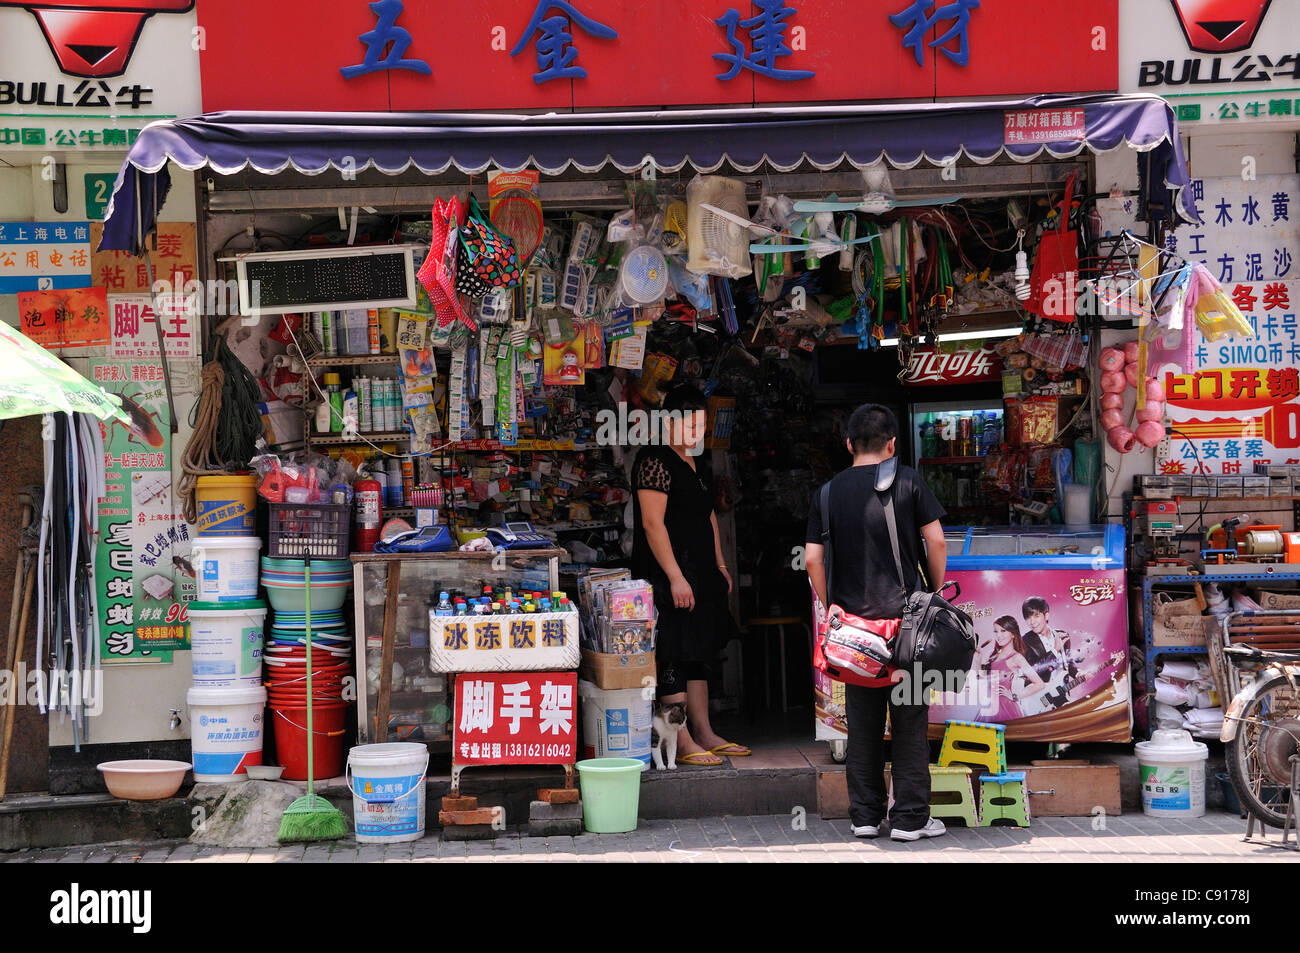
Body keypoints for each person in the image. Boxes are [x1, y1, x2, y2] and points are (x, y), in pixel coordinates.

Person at [804, 404, 948, 842]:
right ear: (891, 444)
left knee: (862, 726)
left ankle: (865, 818)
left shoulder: (826, 493)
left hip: (853, 636)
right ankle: (909, 820)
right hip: (906, 631)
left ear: (848, 444)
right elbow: (937, 540)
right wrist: (933, 593)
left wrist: (831, 604)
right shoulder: (907, 480)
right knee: (909, 724)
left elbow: (812, 558)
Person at [631, 384, 749, 766]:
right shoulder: (654, 460)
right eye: (690, 425)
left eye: (701, 425)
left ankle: (705, 732)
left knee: (698, 654)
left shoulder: (698, 463)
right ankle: (679, 741)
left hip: (700, 573)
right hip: (668, 575)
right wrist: (675, 576)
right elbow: (652, 524)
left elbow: (708, 515)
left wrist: (720, 565)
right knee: (673, 654)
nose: (697, 433)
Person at [978, 616, 1047, 722]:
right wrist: (978, 658)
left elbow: (1040, 684)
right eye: (996, 631)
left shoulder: (1016, 658)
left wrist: (1015, 696)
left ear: (1013, 634)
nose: (999, 636)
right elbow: (982, 681)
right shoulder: (992, 656)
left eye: (1003, 631)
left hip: (1005, 708)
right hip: (988, 708)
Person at [1020, 596, 1078, 711]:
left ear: (1046, 615)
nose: (1032, 622)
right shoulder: (1024, 641)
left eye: (1036, 616)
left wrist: (1078, 674)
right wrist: (1054, 651)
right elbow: (1032, 672)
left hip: (1062, 693)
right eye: (1028, 617)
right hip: (1039, 698)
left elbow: (1067, 662)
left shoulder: (1062, 635)